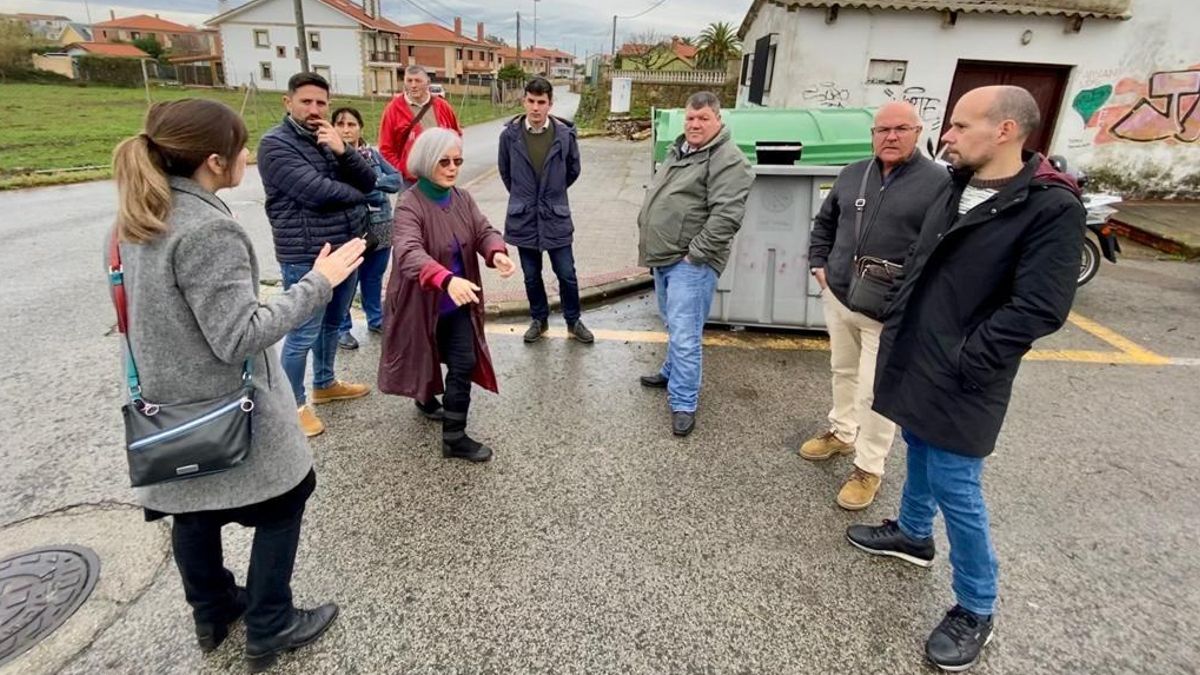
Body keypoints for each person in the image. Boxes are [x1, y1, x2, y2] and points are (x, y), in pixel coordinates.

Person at [109, 98, 365, 671]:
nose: (248, 154)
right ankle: (271, 622)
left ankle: (214, 610)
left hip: (166, 412)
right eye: (242, 147)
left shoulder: (135, 218)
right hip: (224, 405)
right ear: (215, 161)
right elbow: (238, 337)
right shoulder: (205, 229)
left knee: (191, 510)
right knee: (289, 497)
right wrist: (318, 284)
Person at [847, 86, 1084, 672]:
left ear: (1004, 130)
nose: (945, 135)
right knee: (918, 447)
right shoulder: (955, 185)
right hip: (915, 354)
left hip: (965, 372)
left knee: (958, 483)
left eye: (959, 124)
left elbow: (1039, 308)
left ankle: (976, 607)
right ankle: (912, 534)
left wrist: (967, 360)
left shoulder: (1051, 207)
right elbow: (923, 264)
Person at [802, 102, 950, 511]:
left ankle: (869, 467)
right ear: (873, 133)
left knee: (876, 391)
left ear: (918, 132)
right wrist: (818, 263)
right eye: (883, 129)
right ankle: (841, 432)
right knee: (843, 371)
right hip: (841, 297)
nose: (891, 136)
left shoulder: (938, 184)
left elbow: (938, 249)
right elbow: (825, 222)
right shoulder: (853, 174)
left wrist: (908, 296)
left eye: (901, 128)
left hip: (889, 312)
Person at [378, 128, 517, 461]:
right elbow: (409, 251)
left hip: (457, 302)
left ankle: (453, 437)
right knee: (422, 357)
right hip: (421, 303)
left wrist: (495, 252)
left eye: (458, 161)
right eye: (444, 161)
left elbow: (483, 230)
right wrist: (444, 278)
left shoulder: (461, 198)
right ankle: (425, 398)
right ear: (427, 162)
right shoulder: (409, 204)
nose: (453, 168)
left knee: (463, 361)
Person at [258, 72, 376, 438]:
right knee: (302, 333)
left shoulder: (330, 139)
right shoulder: (275, 145)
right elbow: (318, 193)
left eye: (321, 103)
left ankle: (324, 384)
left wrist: (344, 151)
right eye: (306, 101)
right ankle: (291, 405)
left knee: (331, 324)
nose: (314, 109)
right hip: (306, 254)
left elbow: (370, 179)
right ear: (288, 102)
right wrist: (359, 196)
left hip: (345, 249)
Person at [636, 91, 753, 437]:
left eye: (703, 118)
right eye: (690, 118)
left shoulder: (727, 159)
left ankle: (684, 402)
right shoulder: (680, 149)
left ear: (718, 120)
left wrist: (695, 254)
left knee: (686, 335)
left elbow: (727, 215)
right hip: (664, 256)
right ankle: (671, 372)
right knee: (674, 323)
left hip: (690, 262)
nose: (695, 124)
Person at [498, 77, 592, 344]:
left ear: (550, 104)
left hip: (556, 215)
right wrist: (525, 197)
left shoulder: (564, 135)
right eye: (531, 101)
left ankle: (573, 321)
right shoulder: (509, 136)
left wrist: (552, 194)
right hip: (523, 217)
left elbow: (573, 170)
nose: (536, 108)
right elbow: (506, 173)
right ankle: (539, 320)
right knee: (531, 276)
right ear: (524, 101)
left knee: (567, 274)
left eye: (542, 102)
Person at [331, 106, 403, 350]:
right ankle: (343, 328)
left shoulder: (372, 155)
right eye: (340, 124)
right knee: (346, 280)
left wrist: (372, 183)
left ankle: (376, 319)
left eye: (351, 124)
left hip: (381, 225)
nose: (346, 129)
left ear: (360, 127)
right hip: (348, 229)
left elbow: (396, 180)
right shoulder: (328, 157)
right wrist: (369, 191)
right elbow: (336, 192)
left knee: (373, 277)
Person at [379, 65, 463, 183]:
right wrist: (402, 170)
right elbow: (386, 148)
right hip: (411, 181)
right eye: (409, 81)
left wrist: (450, 163)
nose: (413, 85)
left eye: (418, 81)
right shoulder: (393, 109)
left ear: (427, 82)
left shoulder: (442, 106)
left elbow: (456, 136)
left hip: (441, 176)